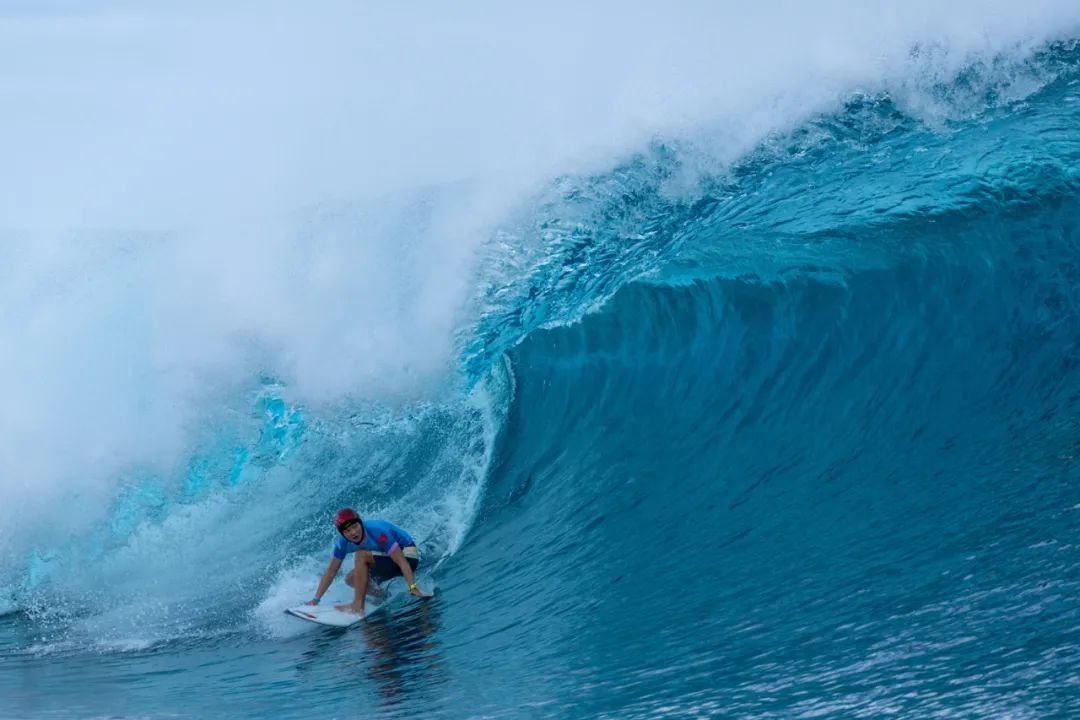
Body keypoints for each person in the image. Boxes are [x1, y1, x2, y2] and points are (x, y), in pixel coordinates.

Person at [307, 508, 433, 615]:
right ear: (342, 533)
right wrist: (315, 600)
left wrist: (413, 587)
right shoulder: (342, 544)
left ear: (361, 523)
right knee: (351, 579)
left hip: (408, 557)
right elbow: (331, 571)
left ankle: (358, 606)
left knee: (361, 555)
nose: (353, 532)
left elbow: (402, 562)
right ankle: (383, 595)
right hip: (387, 561)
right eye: (347, 531)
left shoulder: (377, 531)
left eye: (355, 526)